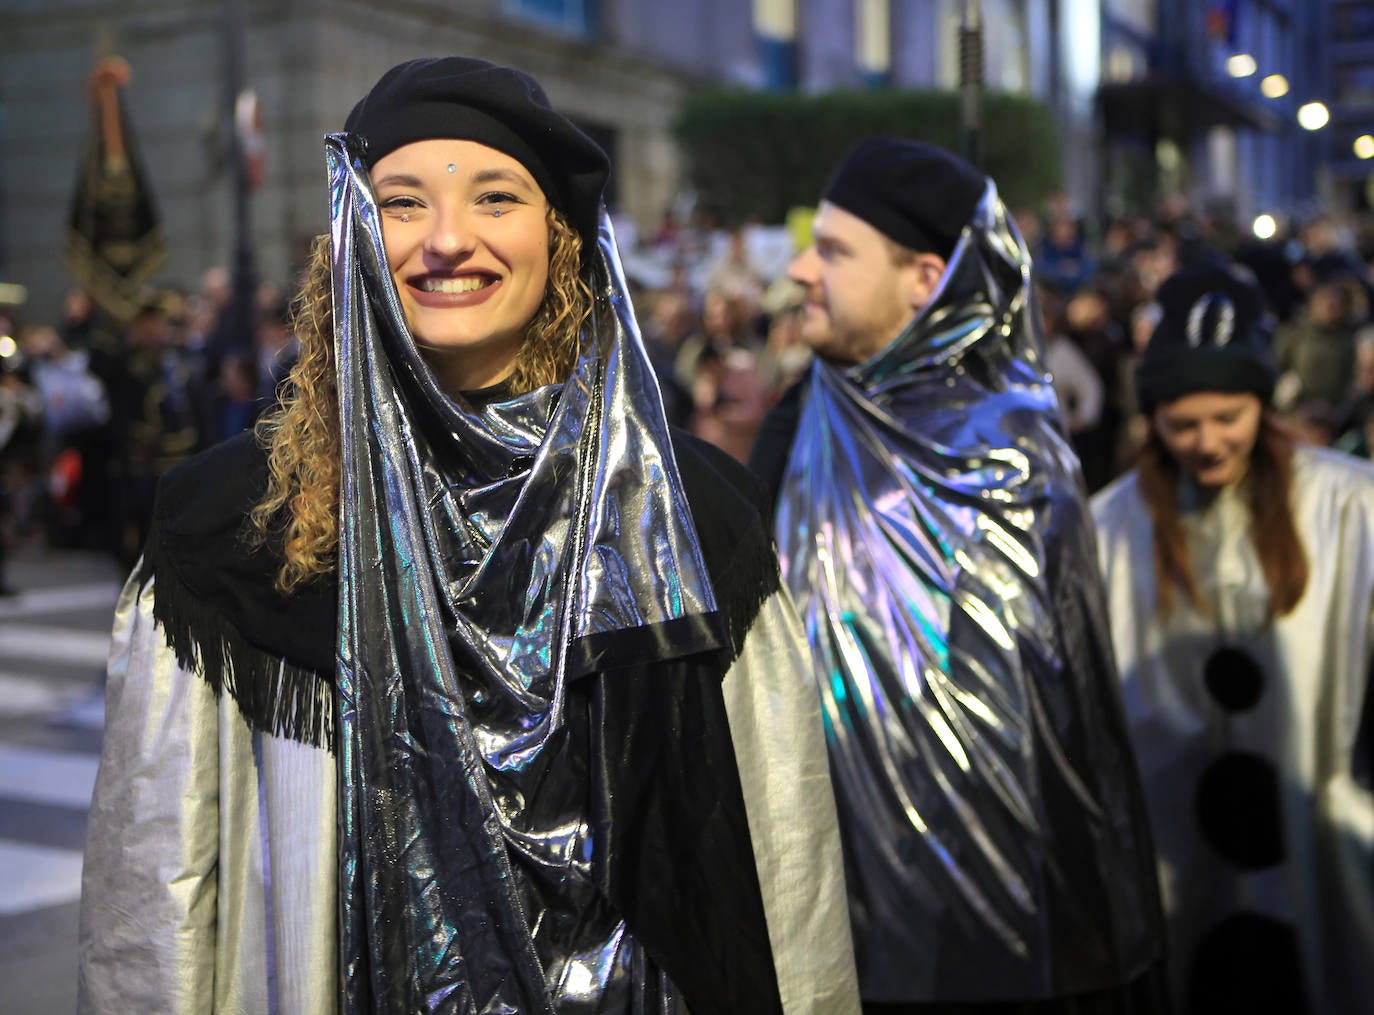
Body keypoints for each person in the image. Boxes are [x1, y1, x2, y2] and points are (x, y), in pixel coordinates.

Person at [78, 56, 859, 1015]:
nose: (447, 240)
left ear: (560, 239)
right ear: (353, 235)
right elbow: (153, 902)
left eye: (496, 196)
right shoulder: (230, 526)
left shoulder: (690, 517)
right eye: (403, 203)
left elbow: (788, 879)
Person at [748, 137, 1166, 1013]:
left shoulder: (1005, 452)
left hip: (981, 934)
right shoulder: (800, 422)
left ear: (924, 277)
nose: (799, 270)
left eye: (833, 250)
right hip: (819, 901)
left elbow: (1035, 724)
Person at [1091, 263, 1374, 1015]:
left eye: (1229, 415)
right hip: (1173, 863)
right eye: (1183, 423)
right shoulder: (1111, 529)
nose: (1208, 442)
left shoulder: (1349, 506)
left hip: (1323, 866)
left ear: (1263, 404)